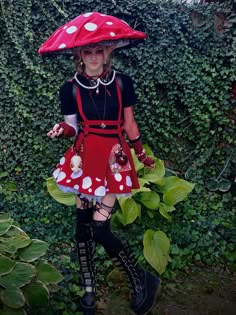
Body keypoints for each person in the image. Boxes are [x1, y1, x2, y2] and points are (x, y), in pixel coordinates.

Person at [47, 44, 160, 315]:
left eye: (99, 51)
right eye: (88, 52)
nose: (94, 57)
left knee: (100, 228)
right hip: (84, 159)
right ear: (80, 57)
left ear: (107, 53)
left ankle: (140, 280)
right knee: (82, 226)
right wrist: (61, 129)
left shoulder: (122, 82)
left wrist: (141, 154)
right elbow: (72, 126)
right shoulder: (70, 88)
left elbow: (129, 124)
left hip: (114, 159)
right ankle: (89, 289)